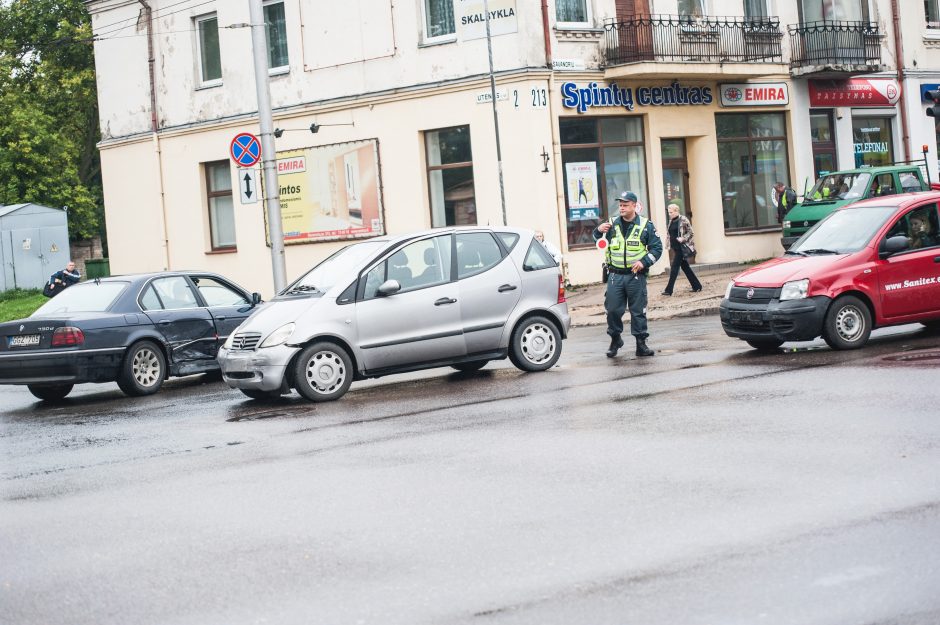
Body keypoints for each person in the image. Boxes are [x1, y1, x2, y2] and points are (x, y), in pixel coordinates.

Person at [593, 191, 662, 358]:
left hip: (635, 276)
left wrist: (643, 262)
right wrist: (598, 230)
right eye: (620, 205)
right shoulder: (611, 224)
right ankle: (615, 339)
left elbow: (657, 249)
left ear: (634, 205)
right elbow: (598, 240)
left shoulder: (646, 225)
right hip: (615, 276)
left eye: (625, 205)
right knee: (613, 310)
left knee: (638, 311)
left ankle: (641, 344)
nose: (621, 208)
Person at [661, 204, 703, 296]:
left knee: (674, 267)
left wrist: (683, 238)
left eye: (671, 212)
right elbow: (670, 234)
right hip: (675, 248)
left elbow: (691, 232)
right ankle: (697, 286)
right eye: (668, 212)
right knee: (685, 267)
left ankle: (669, 290)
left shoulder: (683, 219)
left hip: (681, 248)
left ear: (676, 211)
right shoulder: (671, 221)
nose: (669, 214)